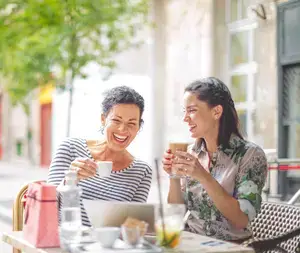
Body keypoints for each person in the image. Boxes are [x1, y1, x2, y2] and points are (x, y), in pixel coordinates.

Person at [162, 77, 268, 242]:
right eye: (185, 111)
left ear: (217, 112)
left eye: (192, 110)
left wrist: (203, 176)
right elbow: (177, 211)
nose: (185, 118)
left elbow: (241, 219)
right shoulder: (192, 152)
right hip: (191, 242)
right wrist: (173, 176)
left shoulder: (250, 155)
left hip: (231, 246)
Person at [47, 86, 152, 227]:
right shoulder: (70, 148)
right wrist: (70, 179)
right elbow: (46, 205)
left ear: (139, 127)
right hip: (65, 240)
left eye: (131, 123)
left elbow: (133, 225)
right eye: (116, 120)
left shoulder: (142, 171)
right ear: (103, 119)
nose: (122, 129)